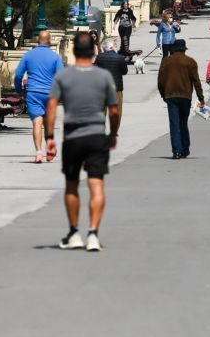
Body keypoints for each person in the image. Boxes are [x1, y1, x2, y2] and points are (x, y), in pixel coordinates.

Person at [45, 32, 119, 252]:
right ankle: (93, 234)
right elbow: (113, 110)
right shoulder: (104, 77)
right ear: (93, 51)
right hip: (97, 135)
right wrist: (113, 133)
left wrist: (49, 138)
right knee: (96, 184)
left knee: (71, 185)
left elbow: (51, 107)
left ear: (74, 51)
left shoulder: (63, 77)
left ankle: (74, 232)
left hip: (72, 137)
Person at [15, 30, 64, 163]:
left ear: (38, 41)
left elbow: (18, 75)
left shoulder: (28, 55)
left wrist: (19, 90)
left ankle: (38, 153)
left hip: (33, 93)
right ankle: (50, 145)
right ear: (49, 41)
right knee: (48, 122)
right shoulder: (55, 57)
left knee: (37, 122)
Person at [157, 39, 207, 159]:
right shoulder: (190, 62)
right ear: (184, 49)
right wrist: (201, 98)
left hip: (171, 96)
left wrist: (163, 95)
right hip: (185, 96)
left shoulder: (166, 61)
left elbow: (160, 81)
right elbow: (196, 81)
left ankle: (176, 151)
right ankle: (185, 148)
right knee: (183, 122)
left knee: (174, 123)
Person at [94, 38, 127, 122]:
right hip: (117, 89)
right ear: (112, 47)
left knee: (102, 112)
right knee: (116, 112)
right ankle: (114, 132)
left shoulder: (99, 58)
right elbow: (124, 71)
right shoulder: (120, 58)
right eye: (115, 45)